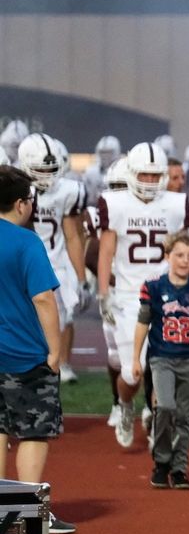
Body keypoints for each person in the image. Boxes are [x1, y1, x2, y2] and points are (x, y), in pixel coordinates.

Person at [97, 142, 189, 448]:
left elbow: (187, 250)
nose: (151, 181)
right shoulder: (115, 203)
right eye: (145, 175)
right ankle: (125, 405)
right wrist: (104, 294)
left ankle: (157, 426)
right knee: (131, 375)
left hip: (167, 295)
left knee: (162, 368)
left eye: (156, 175)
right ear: (131, 173)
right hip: (129, 296)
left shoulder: (176, 204)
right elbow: (106, 251)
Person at [0, 165, 75, 534]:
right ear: (19, 204)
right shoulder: (27, 242)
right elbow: (44, 298)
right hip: (24, 353)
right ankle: (28, 513)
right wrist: (55, 351)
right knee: (32, 431)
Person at [133, 232, 189, 489]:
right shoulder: (154, 286)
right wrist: (135, 358)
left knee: (184, 417)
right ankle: (161, 461)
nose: (185, 261)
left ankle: (179, 468)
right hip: (161, 357)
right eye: (180, 255)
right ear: (168, 256)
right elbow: (143, 322)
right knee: (166, 407)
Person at [15, 133, 90, 383]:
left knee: (62, 319)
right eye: (39, 169)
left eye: (51, 169)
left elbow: (72, 236)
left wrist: (81, 278)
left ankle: (60, 364)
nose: (46, 176)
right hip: (21, 264)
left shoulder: (67, 190)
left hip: (56, 264)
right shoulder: (11, 187)